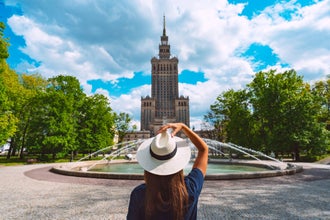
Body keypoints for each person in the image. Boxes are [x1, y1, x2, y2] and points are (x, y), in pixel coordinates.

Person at [127, 123, 208, 220]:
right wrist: (183, 127)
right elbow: (203, 150)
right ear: (178, 163)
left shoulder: (139, 194)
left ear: (148, 166)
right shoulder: (190, 188)